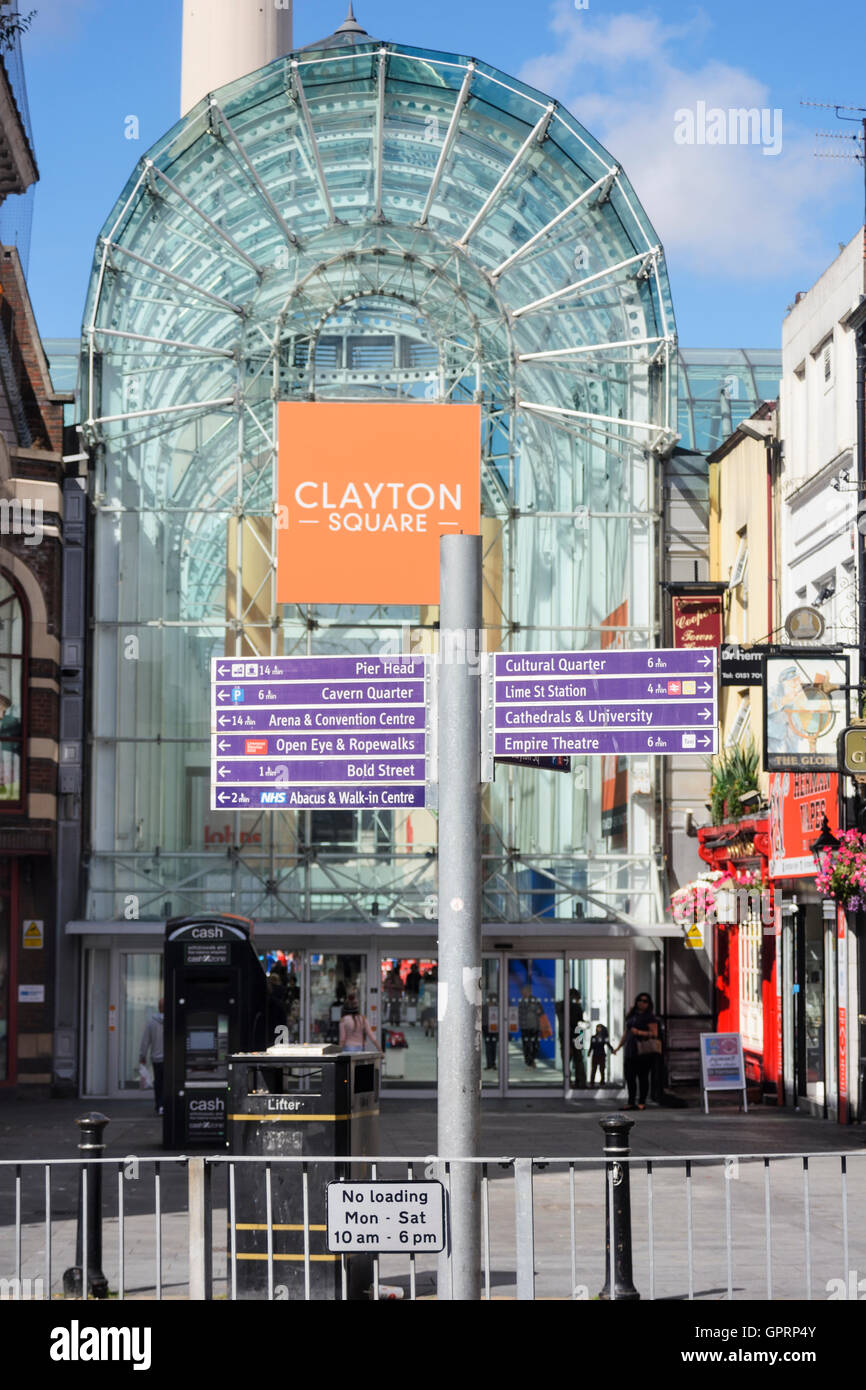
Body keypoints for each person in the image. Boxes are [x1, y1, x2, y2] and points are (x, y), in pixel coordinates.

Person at [614, 993, 659, 1110]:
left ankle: (642, 1102)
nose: (641, 1003)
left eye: (645, 1001)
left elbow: (654, 1033)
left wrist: (639, 1032)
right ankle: (631, 1101)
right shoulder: (632, 1015)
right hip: (631, 1050)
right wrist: (618, 1047)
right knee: (630, 1077)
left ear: (649, 1004)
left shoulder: (649, 1017)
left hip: (644, 1051)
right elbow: (626, 1032)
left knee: (643, 1077)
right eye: (639, 1000)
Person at [139, 997, 165, 1116]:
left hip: (157, 1058)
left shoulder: (151, 1022)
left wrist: (142, 1055)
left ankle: (159, 1105)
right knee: (168, 1083)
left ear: (159, 1007)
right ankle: (165, 1104)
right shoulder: (173, 1020)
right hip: (170, 1058)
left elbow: (145, 1041)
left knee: (158, 1082)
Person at [517, 982, 544, 1068]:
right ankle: (529, 1062)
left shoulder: (535, 1000)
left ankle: (531, 1059)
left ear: (529, 992)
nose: (523, 993)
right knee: (526, 1046)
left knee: (535, 1045)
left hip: (534, 1026)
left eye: (525, 991)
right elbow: (519, 1013)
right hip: (524, 1027)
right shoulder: (521, 1001)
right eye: (522, 992)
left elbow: (541, 1011)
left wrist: (537, 1011)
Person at [481, 991, 499, 1071]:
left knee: (493, 1046)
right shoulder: (484, 1007)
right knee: (488, 1046)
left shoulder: (497, 1008)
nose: (491, 1001)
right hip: (486, 1028)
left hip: (494, 1028)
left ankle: (493, 1064)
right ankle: (489, 1064)